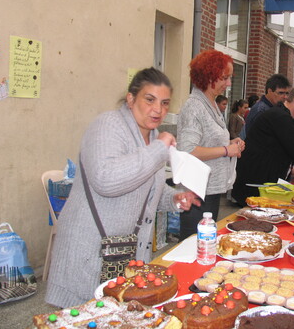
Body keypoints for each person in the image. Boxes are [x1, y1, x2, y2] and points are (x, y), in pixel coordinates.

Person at [45, 68, 200, 308]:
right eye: (149, 100)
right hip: (89, 249)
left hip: (122, 254)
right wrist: (159, 149)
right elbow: (106, 180)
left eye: (165, 103)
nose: (158, 109)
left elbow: (146, 189)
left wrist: (174, 198)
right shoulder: (108, 125)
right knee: (85, 316)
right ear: (131, 98)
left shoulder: (152, 136)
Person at [177, 50, 245, 240]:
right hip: (198, 191)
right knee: (195, 244)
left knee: (205, 243)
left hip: (210, 189)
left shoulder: (211, 103)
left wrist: (230, 143)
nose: (229, 83)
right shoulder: (194, 106)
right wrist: (225, 150)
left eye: (230, 77)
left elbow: (207, 139)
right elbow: (187, 149)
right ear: (207, 76)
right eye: (224, 78)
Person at [232, 83, 294, 205]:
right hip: (256, 182)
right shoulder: (280, 117)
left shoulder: (283, 115)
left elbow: (283, 144)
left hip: (263, 180)